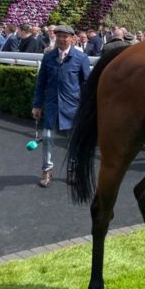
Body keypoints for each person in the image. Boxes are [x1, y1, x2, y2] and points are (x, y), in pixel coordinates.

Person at [32, 24, 90, 188]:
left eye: (65, 36)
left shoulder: (81, 58)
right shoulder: (48, 57)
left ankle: (72, 169)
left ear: (72, 38)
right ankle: (47, 170)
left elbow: (87, 84)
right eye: (59, 36)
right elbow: (41, 82)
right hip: (51, 104)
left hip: (73, 106)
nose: (62, 39)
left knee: (72, 140)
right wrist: (37, 104)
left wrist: (86, 107)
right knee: (48, 137)